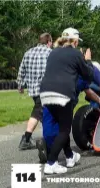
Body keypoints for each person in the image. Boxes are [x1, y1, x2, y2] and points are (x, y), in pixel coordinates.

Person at [39, 27, 94, 174]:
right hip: (63, 94)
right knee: (64, 130)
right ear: (75, 41)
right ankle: (51, 163)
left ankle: (69, 156)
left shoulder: (53, 52)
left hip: (45, 93)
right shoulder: (76, 54)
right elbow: (88, 75)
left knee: (59, 125)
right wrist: (87, 60)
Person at [16, 33, 53, 150]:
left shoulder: (28, 53)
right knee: (38, 112)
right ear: (48, 42)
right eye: (51, 42)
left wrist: (20, 85)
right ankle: (27, 139)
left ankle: (47, 136)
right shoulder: (50, 53)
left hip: (33, 90)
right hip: (46, 88)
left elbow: (21, 70)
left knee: (42, 112)